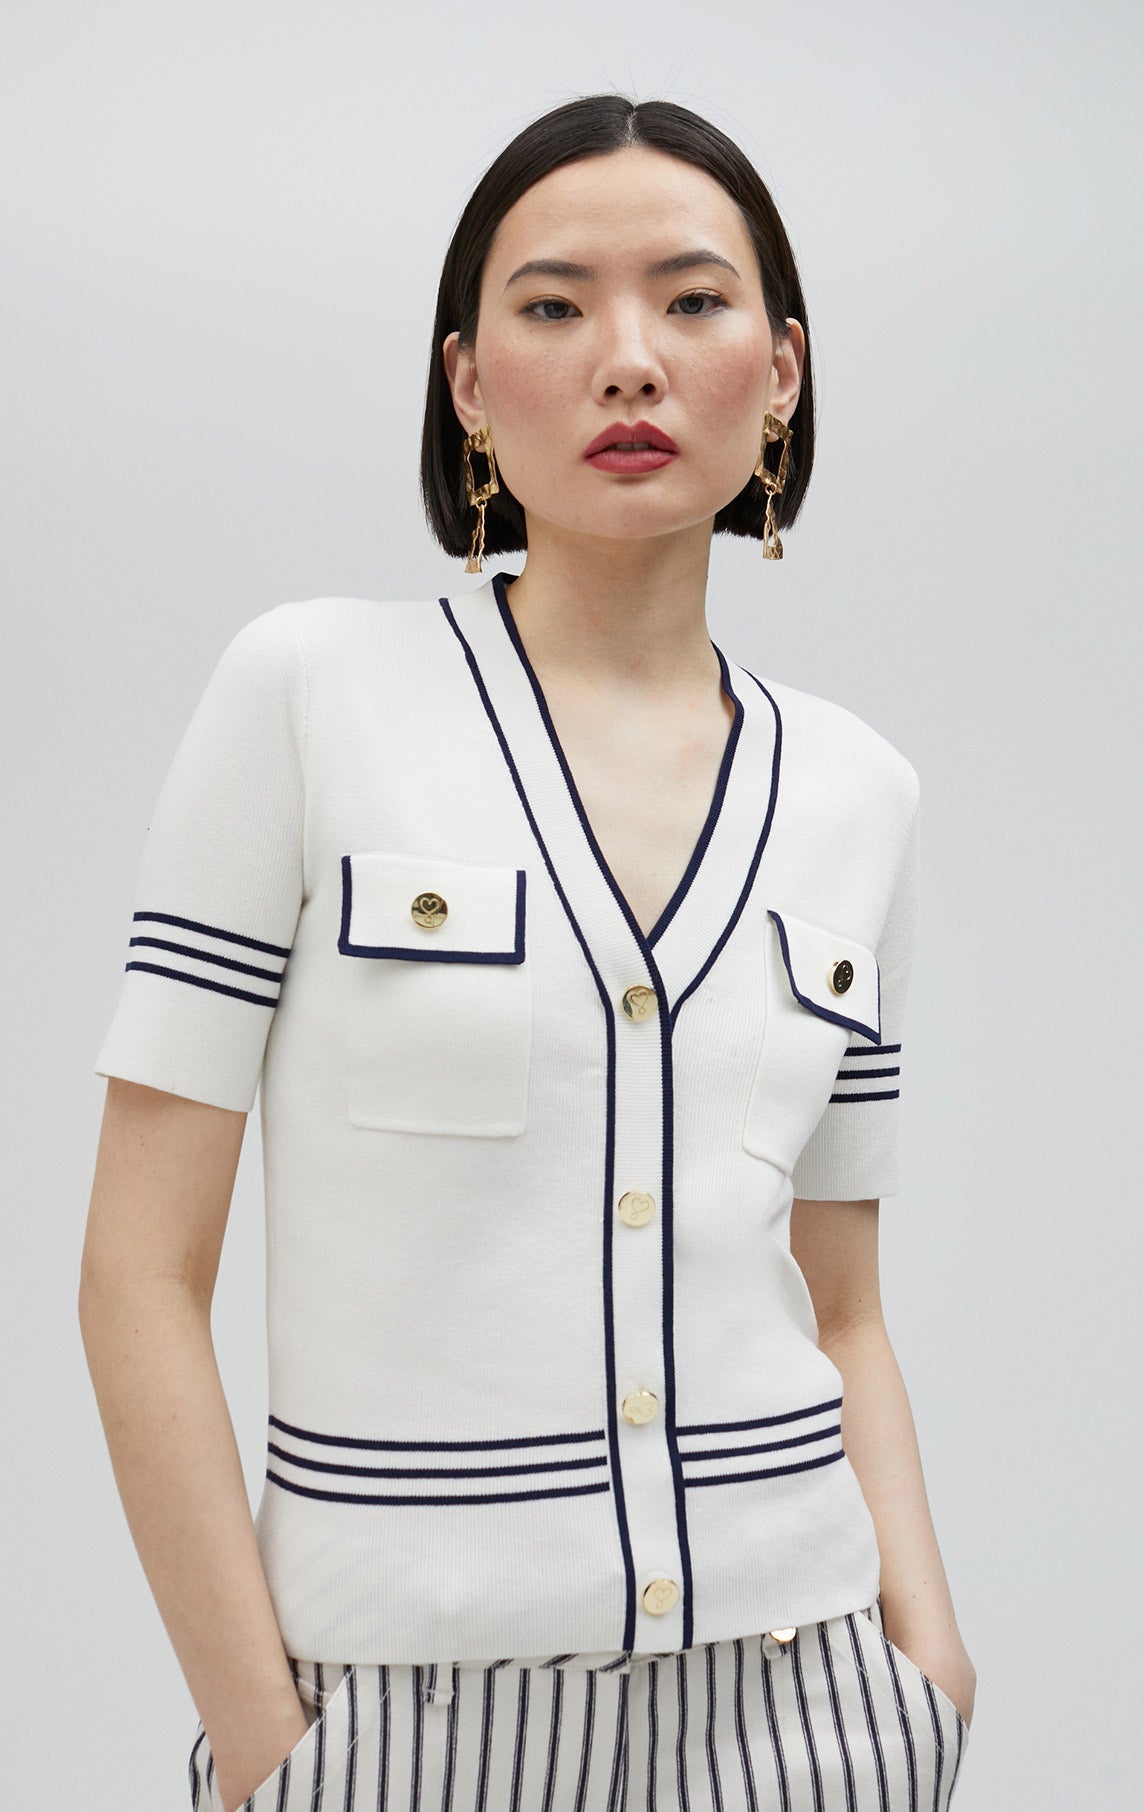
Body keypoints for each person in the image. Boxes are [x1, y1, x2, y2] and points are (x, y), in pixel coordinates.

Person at [80, 92, 976, 1812]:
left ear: (782, 371)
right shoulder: (309, 697)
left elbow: (846, 1302)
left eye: (694, 300)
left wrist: (923, 1667)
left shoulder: (859, 792)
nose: (629, 361)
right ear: (469, 384)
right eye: (554, 306)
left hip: (812, 1712)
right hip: (399, 1725)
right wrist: (268, 1743)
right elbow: (135, 1274)